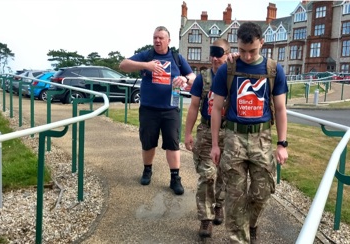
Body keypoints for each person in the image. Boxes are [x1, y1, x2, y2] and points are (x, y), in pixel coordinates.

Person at [209, 22, 289, 243]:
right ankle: (240, 237)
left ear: (262, 43)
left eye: (252, 50)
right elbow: (216, 109)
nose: (246, 55)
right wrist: (216, 145)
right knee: (234, 198)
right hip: (233, 138)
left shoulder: (273, 70)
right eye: (242, 50)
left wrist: (282, 144)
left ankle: (251, 224)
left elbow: (281, 109)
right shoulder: (229, 68)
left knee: (261, 193)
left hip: (261, 139)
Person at [119, 26, 196, 195]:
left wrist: (184, 78)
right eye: (155, 37)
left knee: (173, 144)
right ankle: (147, 170)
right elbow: (123, 65)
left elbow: (193, 77)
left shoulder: (177, 58)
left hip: (170, 109)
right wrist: (146, 65)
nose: (157, 41)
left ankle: (175, 178)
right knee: (148, 143)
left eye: (161, 38)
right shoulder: (147, 56)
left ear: (169, 40)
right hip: (148, 109)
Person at [184, 39, 230, 238]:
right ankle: (206, 218)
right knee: (206, 175)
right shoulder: (203, 78)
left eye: (219, 54)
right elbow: (194, 106)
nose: (214, 58)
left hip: (229, 133)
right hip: (205, 131)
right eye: (212, 54)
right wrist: (187, 134)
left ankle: (219, 205)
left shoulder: (234, 76)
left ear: (228, 54)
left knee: (224, 175)